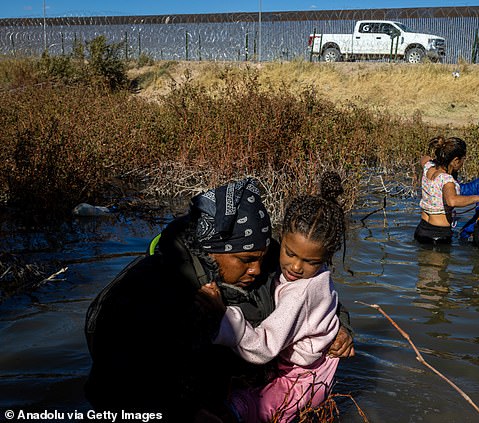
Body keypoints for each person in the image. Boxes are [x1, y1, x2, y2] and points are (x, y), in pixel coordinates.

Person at [84, 178, 354, 422]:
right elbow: (109, 386)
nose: (257, 270)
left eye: (262, 257)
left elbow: (316, 294)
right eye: (246, 261)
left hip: (240, 395)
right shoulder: (150, 291)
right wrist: (185, 412)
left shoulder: (266, 252)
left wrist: (340, 327)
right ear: (213, 251)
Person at [199, 172, 346, 423]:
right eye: (290, 254)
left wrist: (223, 313)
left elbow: (264, 346)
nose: (296, 267)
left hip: (302, 377)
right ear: (281, 236)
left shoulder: (299, 293)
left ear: (325, 259)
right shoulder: (308, 271)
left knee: (247, 409)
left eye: (310, 262)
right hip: (307, 365)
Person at [415, 136, 479, 244]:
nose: (462, 163)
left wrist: (436, 159)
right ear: (455, 160)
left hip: (421, 229)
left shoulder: (428, 167)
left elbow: (424, 158)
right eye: (463, 159)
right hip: (438, 234)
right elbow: (452, 201)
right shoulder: (447, 180)